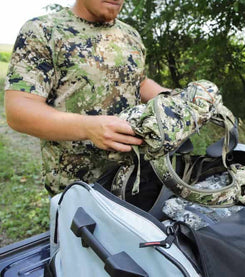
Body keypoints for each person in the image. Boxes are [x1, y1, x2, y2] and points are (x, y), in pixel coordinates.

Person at [4, 0, 168, 196]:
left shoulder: (129, 35)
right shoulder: (43, 30)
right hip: (78, 190)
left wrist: (179, 100)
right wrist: (88, 128)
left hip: (136, 179)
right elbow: (18, 111)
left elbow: (140, 83)